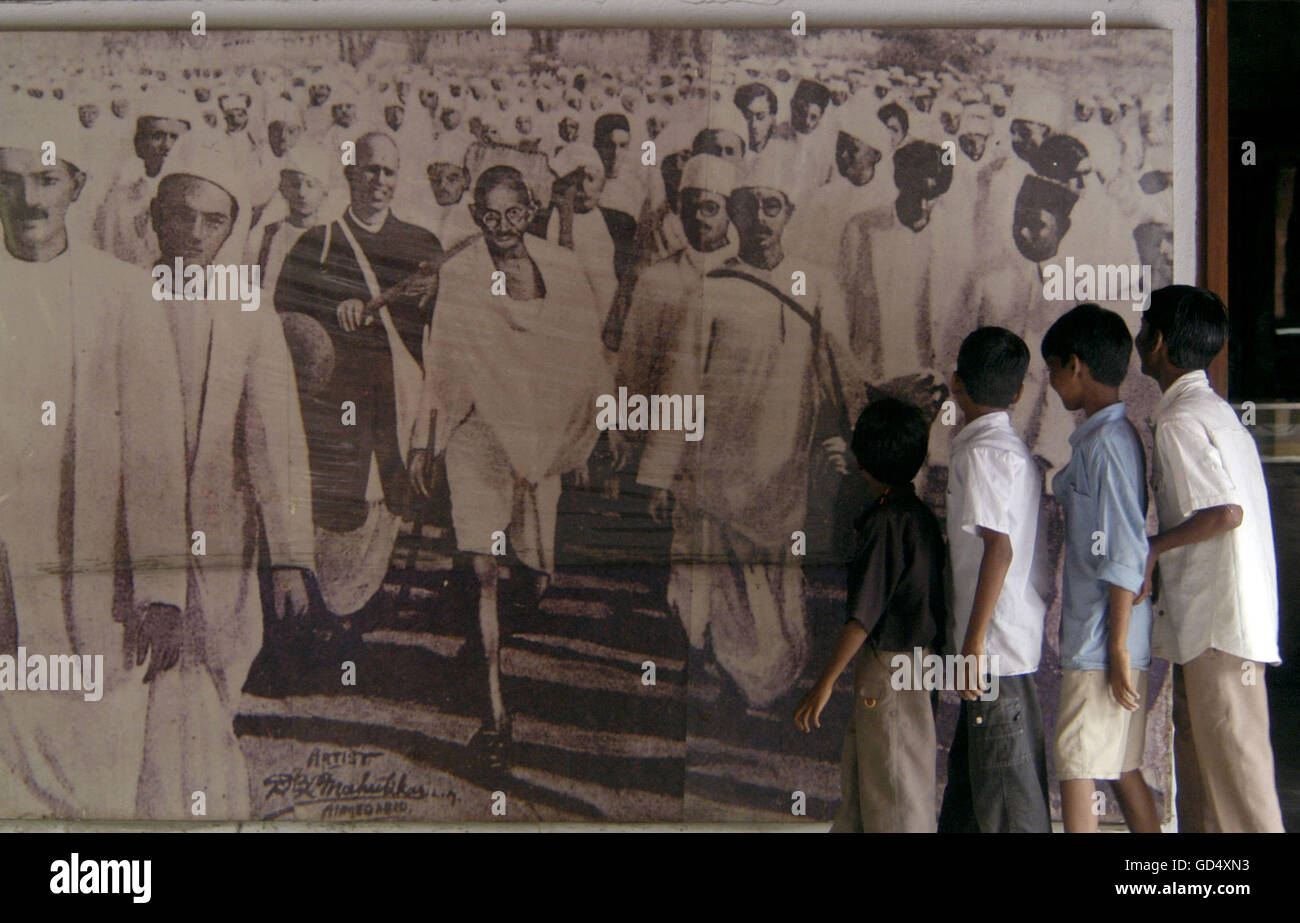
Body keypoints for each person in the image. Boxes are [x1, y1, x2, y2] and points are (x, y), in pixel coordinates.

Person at [0, 105, 190, 817]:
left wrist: (163, 589)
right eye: (10, 181)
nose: (29, 201)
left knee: (97, 767)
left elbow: (155, 452)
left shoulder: (122, 294)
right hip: (4, 581)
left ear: (76, 186)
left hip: (93, 587)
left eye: (46, 179)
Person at [639, 156, 863, 714]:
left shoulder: (819, 286)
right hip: (720, 467)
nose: (760, 218)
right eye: (748, 206)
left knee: (781, 587)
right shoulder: (710, 289)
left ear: (788, 213)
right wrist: (660, 474)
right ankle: (742, 687)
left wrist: (839, 441)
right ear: (733, 213)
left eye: (772, 206)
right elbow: (679, 387)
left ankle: (771, 684)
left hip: (787, 465)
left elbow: (837, 375)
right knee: (729, 589)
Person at [410, 164, 611, 769]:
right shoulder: (463, 271)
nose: (502, 227)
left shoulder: (564, 269)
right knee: (482, 568)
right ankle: (495, 714)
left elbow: (585, 353)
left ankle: (485, 649)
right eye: (489, 216)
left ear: (531, 212)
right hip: (476, 433)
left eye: (513, 214)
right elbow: (441, 359)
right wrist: (426, 439)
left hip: (539, 436)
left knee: (535, 578)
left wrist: (594, 430)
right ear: (476, 215)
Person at [137, 141, 316, 819]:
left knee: (217, 669)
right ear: (156, 216)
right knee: (145, 678)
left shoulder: (248, 313)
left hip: (223, 533)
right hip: (135, 537)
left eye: (214, 220)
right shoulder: (120, 297)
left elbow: (276, 440)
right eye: (182, 216)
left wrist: (290, 558)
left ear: (232, 226)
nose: (194, 235)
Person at [1133, 285, 1285, 833]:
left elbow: (1225, 513)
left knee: (1240, 785)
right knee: (1203, 778)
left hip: (1222, 627)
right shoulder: (1208, 410)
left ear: (1161, 344)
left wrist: (1151, 549)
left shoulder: (1181, 419)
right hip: (1214, 624)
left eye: (1146, 327)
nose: (1139, 338)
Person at [275, 131, 441, 618]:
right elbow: (286, 324)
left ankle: (354, 617)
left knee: (384, 506)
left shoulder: (421, 244)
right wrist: (332, 308)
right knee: (336, 509)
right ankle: (321, 616)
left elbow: (443, 330)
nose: (379, 180)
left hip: (399, 402)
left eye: (389, 171)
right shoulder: (316, 244)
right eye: (370, 169)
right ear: (349, 174)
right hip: (335, 409)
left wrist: (435, 294)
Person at [794, 398, 947, 833]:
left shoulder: (886, 522)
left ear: (860, 458)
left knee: (895, 800)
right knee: (871, 791)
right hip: (912, 668)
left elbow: (863, 616)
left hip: (892, 670)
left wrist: (824, 683)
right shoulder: (917, 516)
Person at [1041, 304, 1160, 833]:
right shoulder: (1098, 438)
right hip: (1107, 635)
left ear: (1076, 365)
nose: (1050, 383)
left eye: (1053, 370)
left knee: (1077, 765)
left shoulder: (1110, 444)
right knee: (1118, 765)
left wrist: (1113, 648)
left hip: (1101, 641)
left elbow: (1125, 553)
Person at [938, 326, 1051, 833]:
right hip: (1001, 645)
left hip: (994, 650)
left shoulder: (984, 453)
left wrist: (973, 644)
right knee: (975, 788)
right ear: (1020, 393)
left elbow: (998, 547)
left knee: (1006, 799)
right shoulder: (1001, 447)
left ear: (955, 385)